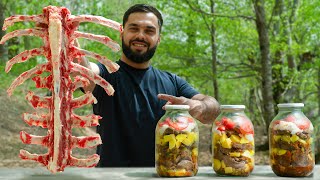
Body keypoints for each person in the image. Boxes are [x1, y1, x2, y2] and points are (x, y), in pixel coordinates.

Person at [79, 4, 220, 167]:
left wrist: (199, 106)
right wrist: (64, 37)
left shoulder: (173, 82)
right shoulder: (105, 74)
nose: (140, 35)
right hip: (113, 177)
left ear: (158, 39)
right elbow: (84, 71)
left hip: (165, 176)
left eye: (149, 31)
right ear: (122, 33)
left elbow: (212, 111)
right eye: (134, 28)